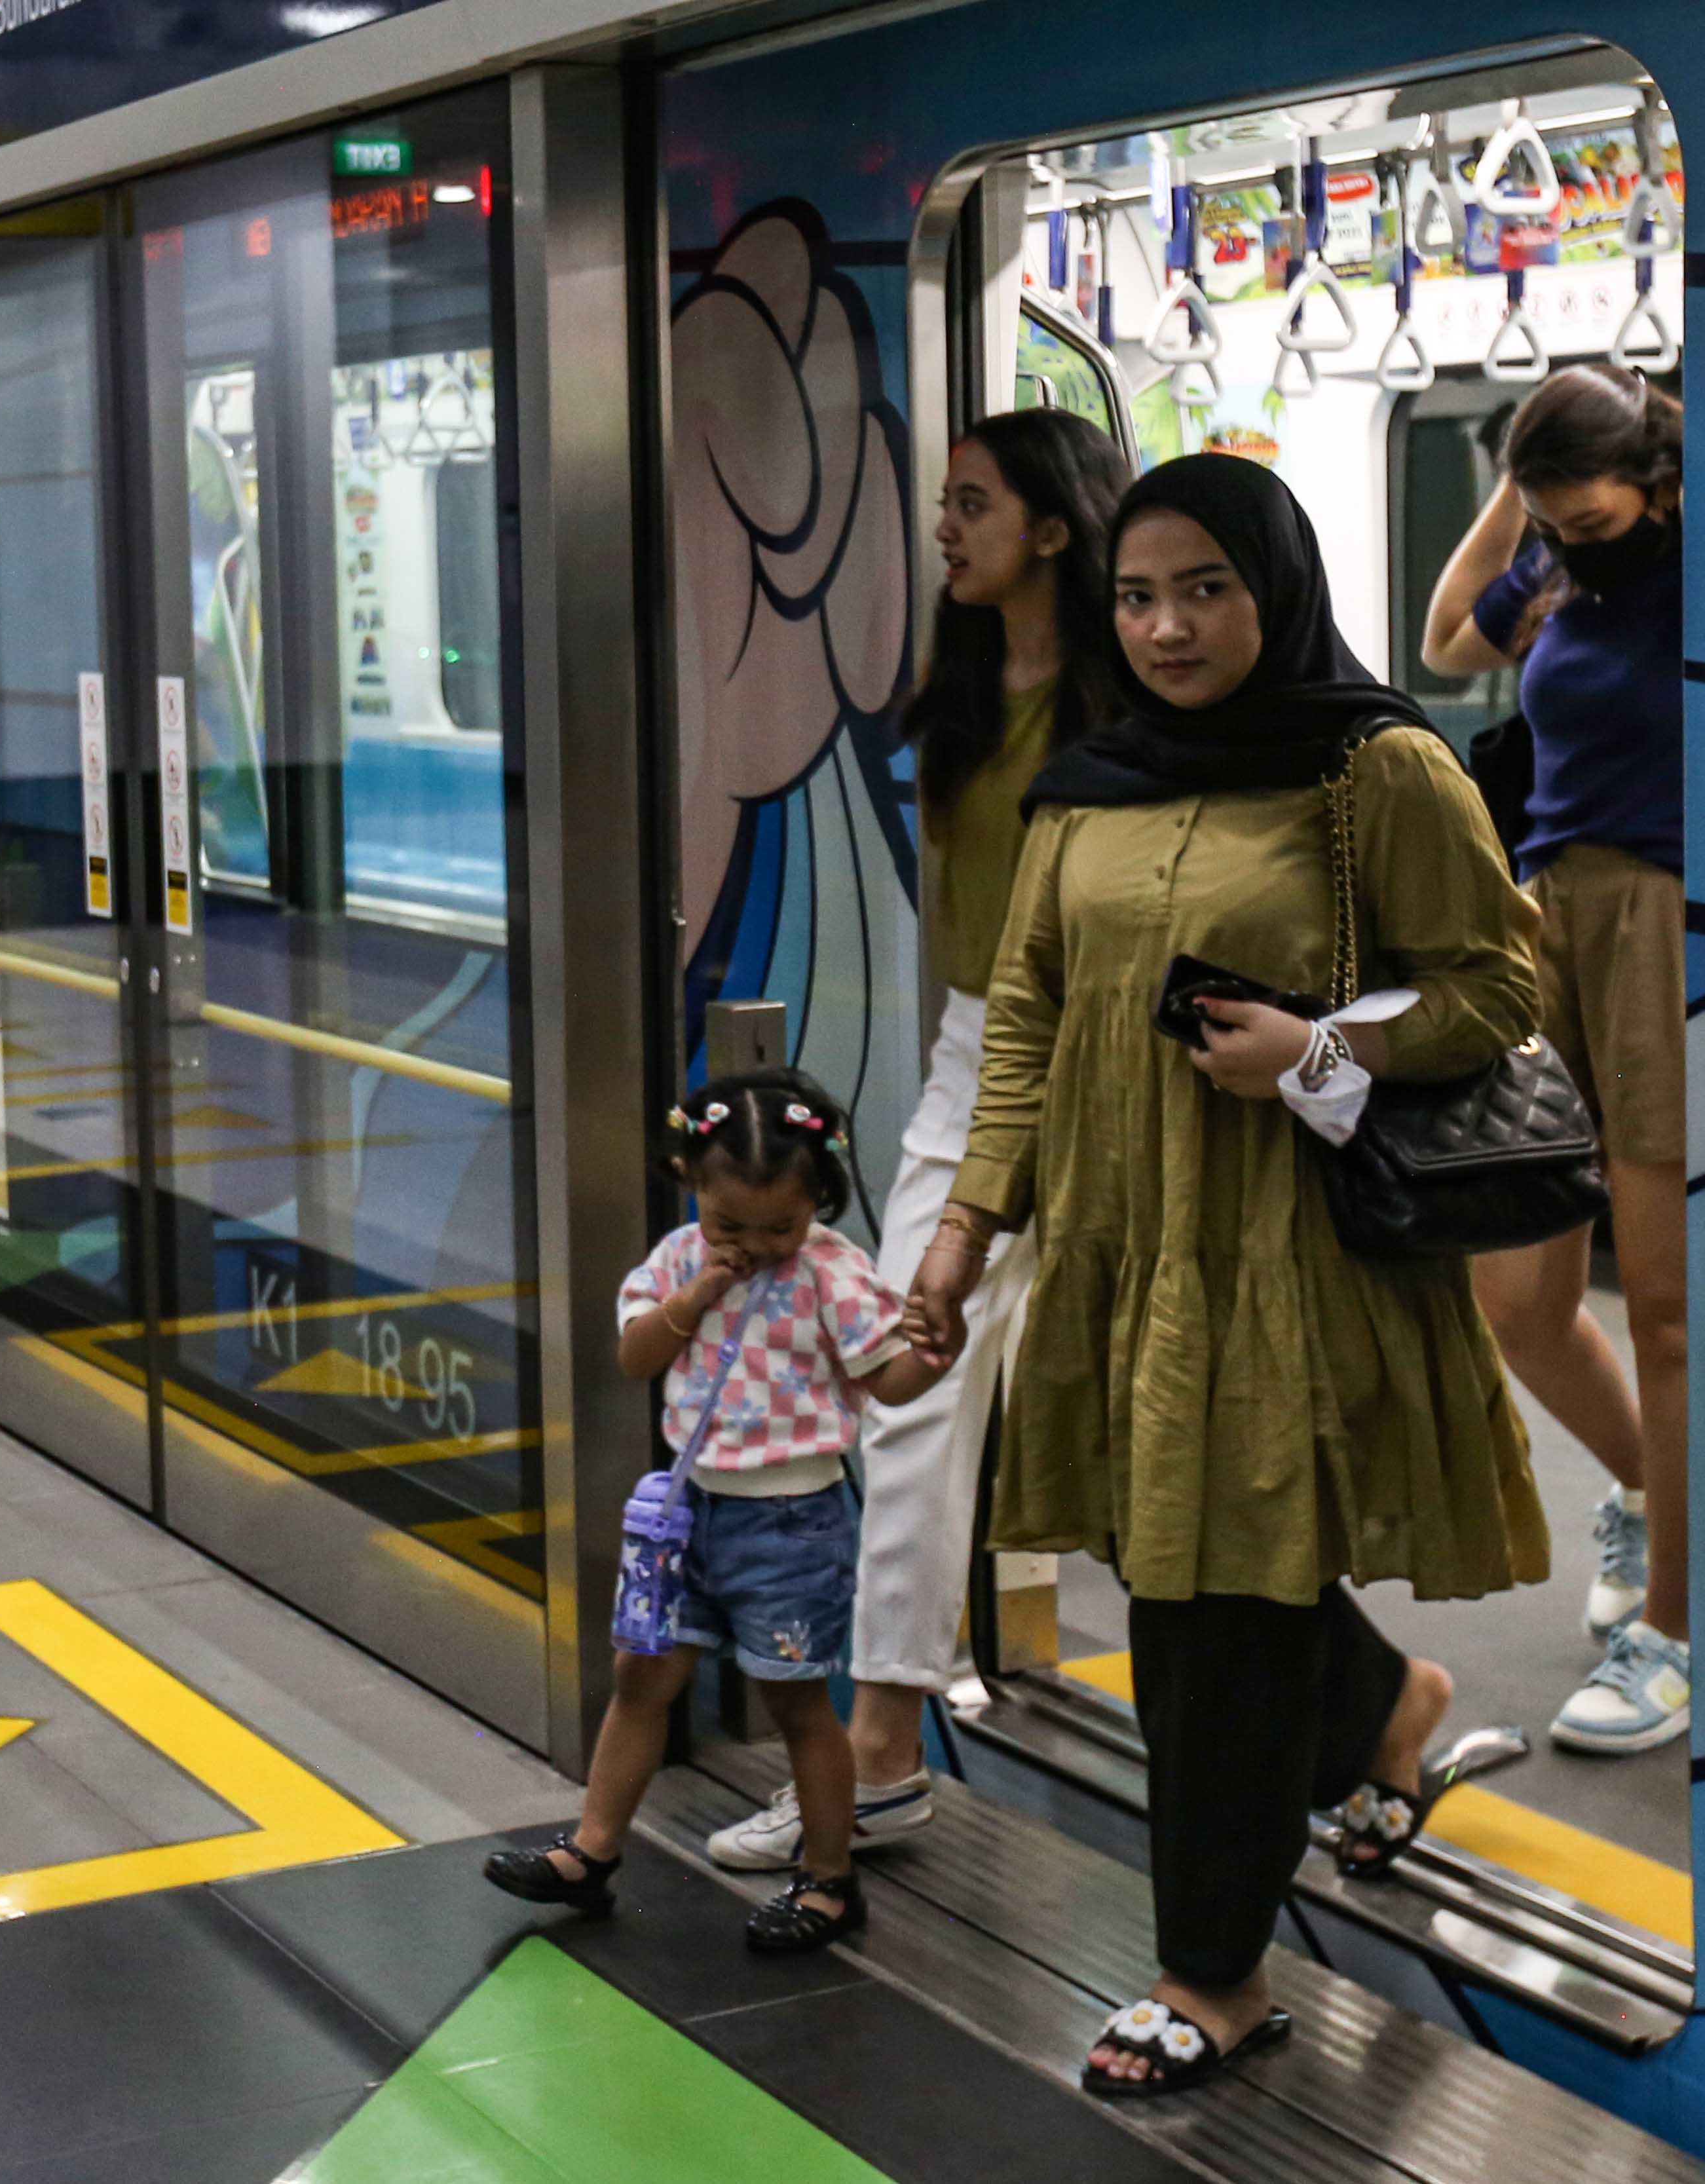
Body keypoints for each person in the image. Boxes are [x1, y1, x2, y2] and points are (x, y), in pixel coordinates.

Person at [909, 455, 1546, 2099]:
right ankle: (1385, 1700)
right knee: (1187, 1553)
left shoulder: (1375, 766)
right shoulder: (1087, 782)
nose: (1170, 626)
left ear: (1274, 586)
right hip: (1121, 1250)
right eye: (1137, 595)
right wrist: (964, 1230)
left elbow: (1492, 991)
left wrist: (1319, 1046)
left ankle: (1216, 1974)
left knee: (1211, 1618)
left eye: (1205, 589)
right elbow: (1030, 1015)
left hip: (1285, 1252)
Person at [703, 409, 1131, 1877]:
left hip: (1119, 1069)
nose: (944, 528)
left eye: (971, 505)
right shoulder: (956, 687)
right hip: (975, 1056)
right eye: (943, 501)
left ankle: (1369, 1710)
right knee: (906, 1391)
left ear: (1054, 529)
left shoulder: (1122, 692)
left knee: (1147, 1433)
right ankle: (880, 1751)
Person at [485, 1071, 938, 1952]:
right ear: (690, 1181)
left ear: (819, 1203)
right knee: (640, 1678)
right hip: (686, 1515)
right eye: (731, 1224)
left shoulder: (835, 1274)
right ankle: (593, 1849)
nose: (758, 1246)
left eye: (784, 1226)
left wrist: (935, 1350)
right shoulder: (676, 1262)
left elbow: (889, 1380)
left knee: (796, 1701)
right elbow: (633, 1354)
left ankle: (832, 1879)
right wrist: (694, 1294)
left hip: (791, 1522)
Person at [1419, 364, 1691, 1756]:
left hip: (1662, 909)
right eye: (1551, 520)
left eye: (1587, 516)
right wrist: (1515, 491)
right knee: (1516, 1293)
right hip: (1545, 910)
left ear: (1652, 481)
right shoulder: (1556, 562)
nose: (1570, 539)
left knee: (1661, 1305)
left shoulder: (1701, 559)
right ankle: (1656, 1494)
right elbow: (1450, 642)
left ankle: (1683, 1628)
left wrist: (1641, 468)